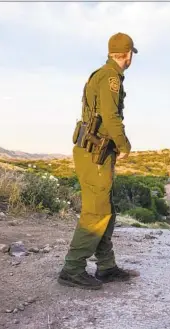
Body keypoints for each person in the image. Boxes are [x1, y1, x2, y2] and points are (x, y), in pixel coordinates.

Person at [58, 33, 138, 290]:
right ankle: (72, 269)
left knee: (106, 209)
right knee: (96, 212)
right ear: (127, 55)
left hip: (96, 151)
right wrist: (124, 145)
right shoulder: (111, 77)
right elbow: (110, 116)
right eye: (131, 55)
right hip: (95, 153)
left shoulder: (104, 74)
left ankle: (106, 266)